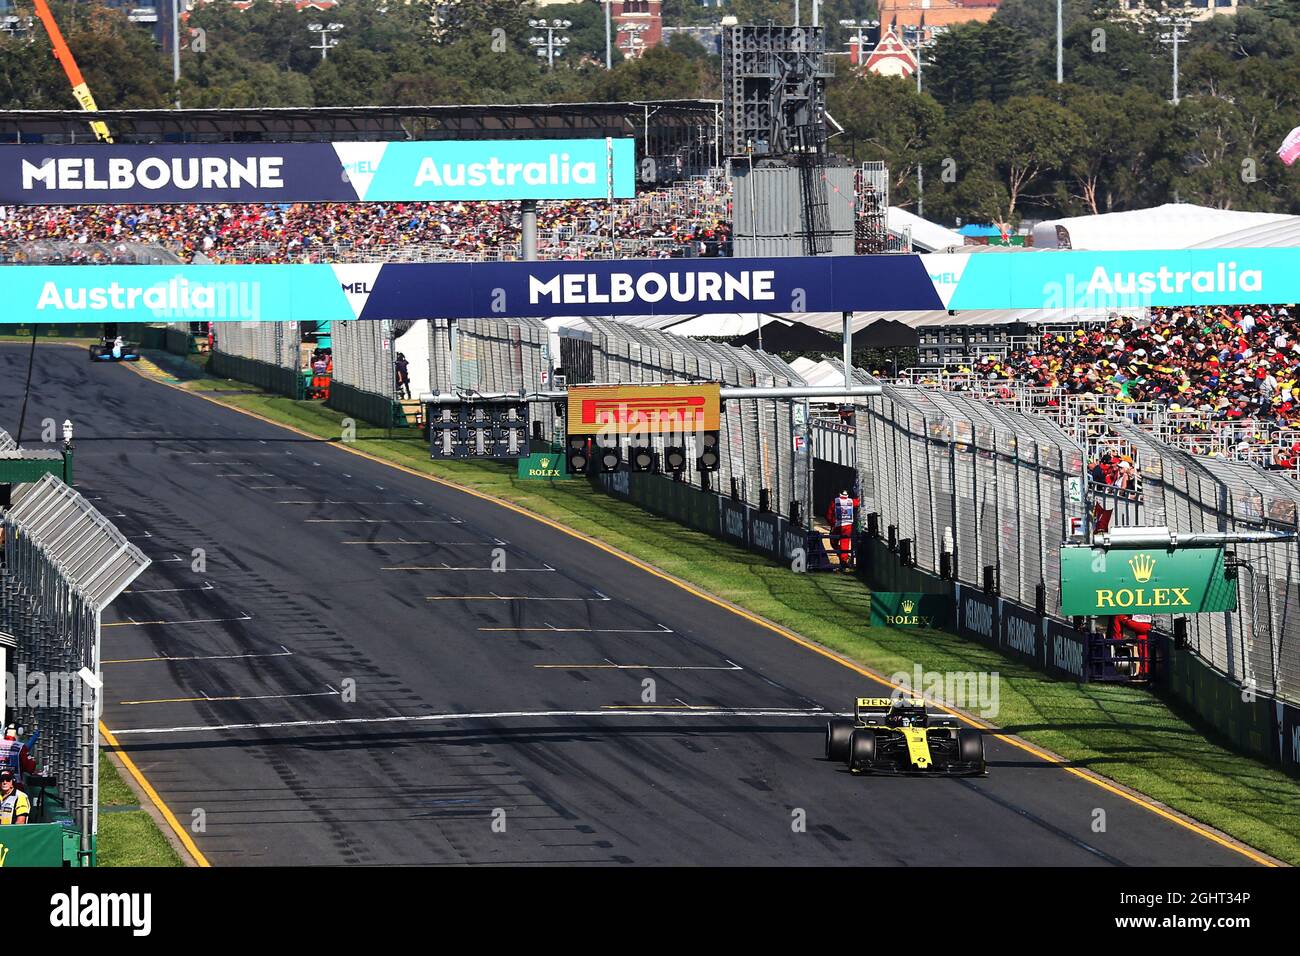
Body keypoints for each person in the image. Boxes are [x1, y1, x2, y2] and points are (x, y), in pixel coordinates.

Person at [825, 489, 859, 572]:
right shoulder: (851, 501)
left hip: (837, 526)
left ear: (839, 494)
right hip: (847, 526)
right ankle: (845, 561)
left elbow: (829, 515)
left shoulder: (835, 501)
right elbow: (858, 502)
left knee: (833, 542)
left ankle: (844, 561)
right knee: (845, 544)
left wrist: (831, 524)